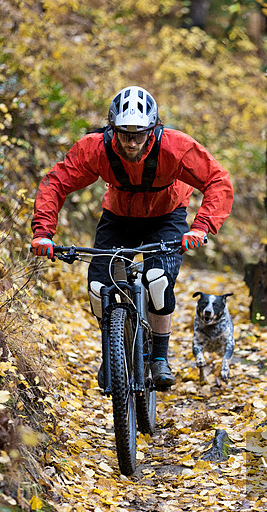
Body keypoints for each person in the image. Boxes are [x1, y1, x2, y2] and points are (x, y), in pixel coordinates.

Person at [31, 85, 233, 390]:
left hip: (167, 216)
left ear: (152, 129)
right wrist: (43, 233)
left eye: (139, 133)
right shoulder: (96, 148)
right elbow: (56, 182)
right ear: (113, 129)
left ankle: (159, 358)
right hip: (119, 217)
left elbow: (217, 180)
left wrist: (200, 227)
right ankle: (112, 351)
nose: (132, 141)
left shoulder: (174, 147)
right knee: (100, 287)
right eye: (125, 133)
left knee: (157, 279)